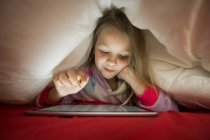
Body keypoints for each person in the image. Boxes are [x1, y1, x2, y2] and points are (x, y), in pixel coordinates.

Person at [35, 7, 178, 112]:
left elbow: (170, 109)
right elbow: (40, 104)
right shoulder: (84, 78)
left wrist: (132, 77)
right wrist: (59, 92)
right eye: (104, 51)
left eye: (122, 56)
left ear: (132, 57)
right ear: (93, 48)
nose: (112, 62)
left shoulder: (130, 85)